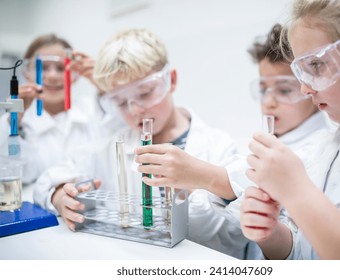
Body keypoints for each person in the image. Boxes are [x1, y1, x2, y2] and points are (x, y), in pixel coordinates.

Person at [33, 28, 248, 259]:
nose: (135, 109)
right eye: (120, 102)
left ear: (171, 80)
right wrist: (59, 195)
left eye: (145, 93)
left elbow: (231, 235)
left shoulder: (217, 146)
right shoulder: (113, 145)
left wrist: (201, 179)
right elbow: (47, 179)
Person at [135, 23, 332, 259]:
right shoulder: (272, 139)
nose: (268, 102)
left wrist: (203, 175)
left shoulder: (319, 149)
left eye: (284, 89)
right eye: (263, 88)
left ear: (309, 86)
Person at [240, 0, 340, 259]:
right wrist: (272, 235)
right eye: (301, 72)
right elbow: (307, 253)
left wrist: (296, 191)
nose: (305, 88)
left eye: (316, 65)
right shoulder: (331, 148)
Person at [0, 34, 120, 184]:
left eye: (61, 68)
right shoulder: (16, 122)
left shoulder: (95, 110)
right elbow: (7, 174)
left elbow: (124, 136)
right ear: (26, 73)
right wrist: (13, 123)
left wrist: (105, 87)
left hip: (91, 205)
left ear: (75, 75)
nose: (52, 76)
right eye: (42, 68)